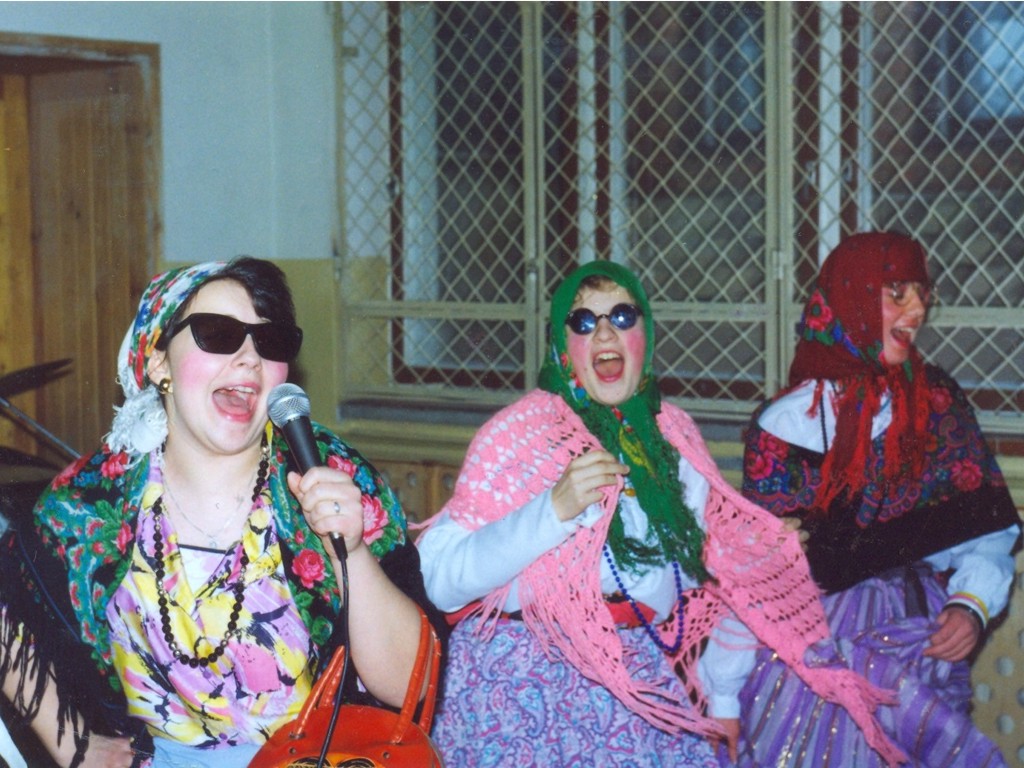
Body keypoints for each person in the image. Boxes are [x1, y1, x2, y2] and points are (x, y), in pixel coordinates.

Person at [416, 261, 906, 767]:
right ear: (564, 346)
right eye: (583, 322)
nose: (604, 333)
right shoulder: (520, 434)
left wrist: (752, 552)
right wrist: (553, 510)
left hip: (639, 677)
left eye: (621, 316)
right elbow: (440, 580)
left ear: (644, 335)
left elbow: (693, 572)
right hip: (521, 682)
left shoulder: (672, 436)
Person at [0, 257, 443, 768]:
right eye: (218, 333)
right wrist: (76, 746)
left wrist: (354, 552)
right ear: (159, 362)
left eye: (270, 340)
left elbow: (410, 686)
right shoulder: (93, 500)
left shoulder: (330, 474)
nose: (250, 358)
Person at [735, 232, 1022, 767]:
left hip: (915, 632)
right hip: (807, 645)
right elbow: (753, 572)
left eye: (922, 294)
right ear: (852, 299)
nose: (918, 311)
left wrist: (971, 605)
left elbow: (985, 533)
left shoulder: (935, 405)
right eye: (897, 293)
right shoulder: (783, 423)